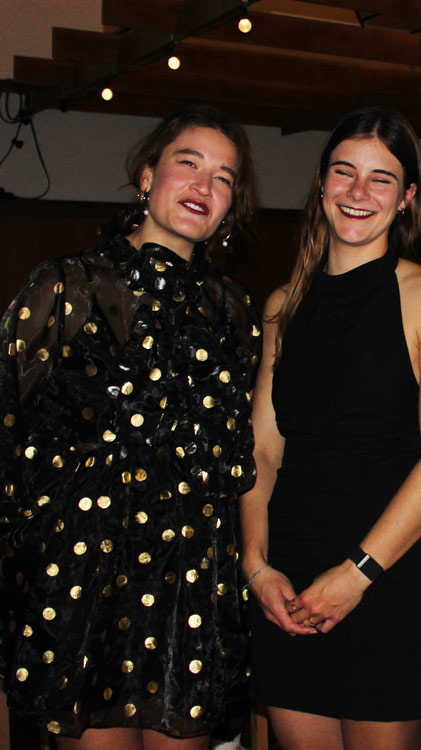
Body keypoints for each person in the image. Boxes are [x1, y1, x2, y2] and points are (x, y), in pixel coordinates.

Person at [0, 106, 260, 748]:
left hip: (190, 582)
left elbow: (238, 455)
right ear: (147, 175)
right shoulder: (66, 287)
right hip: (84, 578)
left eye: (223, 177)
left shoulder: (232, 310)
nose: (203, 185)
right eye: (188, 163)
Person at [240, 108, 421, 749]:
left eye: (381, 178)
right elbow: (262, 449)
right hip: (287, 573)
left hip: (385, 571)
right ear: (322, 184)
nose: (358, 191)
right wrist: (256, 564)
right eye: (344, 172)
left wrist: (357, 573)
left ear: (407, 198)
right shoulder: (282, 305)